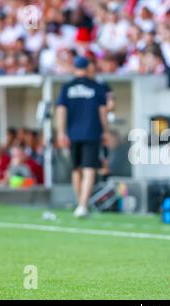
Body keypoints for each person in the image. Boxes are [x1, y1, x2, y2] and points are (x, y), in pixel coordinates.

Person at [56, 56, 110, 218]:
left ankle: (80, 203)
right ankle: (83, 205)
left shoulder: (67, 87)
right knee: (89, 170)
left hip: (72, 134)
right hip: (91, 132)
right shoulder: (96, 87)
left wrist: (61, 132)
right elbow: (102, 112)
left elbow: (61, 110)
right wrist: (106, 131)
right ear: (88, 69)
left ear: (74, 68)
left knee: (76, 169)